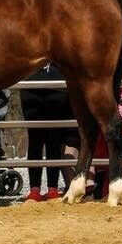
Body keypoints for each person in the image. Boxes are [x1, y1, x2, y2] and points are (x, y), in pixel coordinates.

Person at [20, 63, 77, 201]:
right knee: (40, 139)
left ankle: (48, 188)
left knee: (50, 139)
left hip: (50, 86)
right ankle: (41, 189)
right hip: (35, 86)